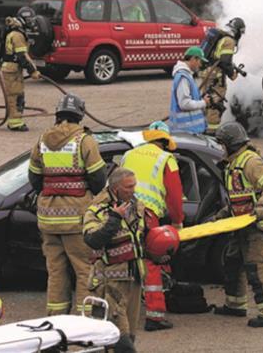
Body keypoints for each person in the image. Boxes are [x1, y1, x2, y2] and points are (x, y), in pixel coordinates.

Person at [28, 93, 107, 316]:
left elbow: (34, 178)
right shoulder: (84, 140)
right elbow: (98, 178)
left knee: (56, 271)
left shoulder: (42, 141)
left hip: (48, 219)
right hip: (76, 219)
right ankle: (85, 320)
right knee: (85, 270)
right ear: (79, 115)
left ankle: (57, 318)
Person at [213, 121, 263, 327]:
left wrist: (261, 209)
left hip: (256, 226)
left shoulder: (250, 161)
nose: (221, 148)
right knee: (232, 263)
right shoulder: (233, 164)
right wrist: (224, 213)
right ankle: (235, 305)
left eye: (222, 144)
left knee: (256, 267)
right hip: (240, 224)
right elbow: (240, 196)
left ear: (231, 144)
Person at [120, 121, 184, 332]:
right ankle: (155, 317)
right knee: (151, 262)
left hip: (121, 213)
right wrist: (177, 221)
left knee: (123, 257)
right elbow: (174, 195)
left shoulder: (129, 155)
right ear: (164, 142)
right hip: (146, 216)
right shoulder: (167, 159)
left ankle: (119, 312)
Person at [83, 168, 146, 353]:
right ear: (116, 188)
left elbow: (139, 236)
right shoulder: (98, 209)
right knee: (119, 333)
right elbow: (92, 240)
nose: (133, 190)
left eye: (134, 185)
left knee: (131, 331)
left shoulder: (135, 204)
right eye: (129, 187)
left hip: (134, 276)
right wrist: (115, 218)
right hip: (111, 280)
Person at [200, 17, 245, 133]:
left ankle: (202, 128)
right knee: (215, 104)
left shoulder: (220, 36)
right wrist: (232, 75)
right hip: (216, 76)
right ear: (238, 31)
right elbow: (225, 62)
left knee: (206, 100)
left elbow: (218, 57)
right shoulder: (229, 41)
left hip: (207, 73)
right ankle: (212, 133)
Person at [0, 13, 41, 131]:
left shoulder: (15, 32)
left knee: (17, 95)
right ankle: (15, 123)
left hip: (12, 68)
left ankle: (15, 121)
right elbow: (22, 56)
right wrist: (33, 71)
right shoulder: (17, 35)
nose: (30, 22)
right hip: (12, 69)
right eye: (28, 20)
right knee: (16, 95)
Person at [169, 46, 210, 134]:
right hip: (186, 131)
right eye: (200, 61)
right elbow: (184, 104)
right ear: (193, 59)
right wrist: (203, 103)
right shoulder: (183, 77)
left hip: (189, 130)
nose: (200, 65)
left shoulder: (187, 75)